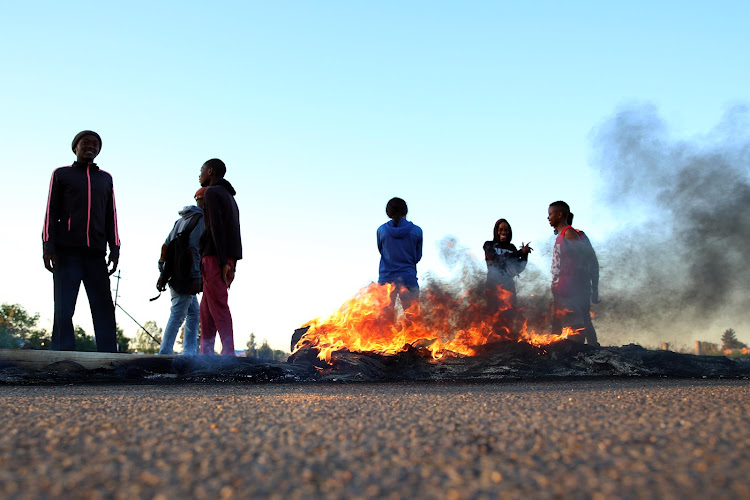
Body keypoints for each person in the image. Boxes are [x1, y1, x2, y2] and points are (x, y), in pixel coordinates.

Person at [42, 131, 120, 352]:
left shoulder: (105, 179)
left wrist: (115, 248)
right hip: (66, 252)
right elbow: (51, 211)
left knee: (104, 306)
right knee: (64, 307)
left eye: (96, 144)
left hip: (96, 253)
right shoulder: (62, 174)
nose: (91, 146)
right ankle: (62, 354)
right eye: (85, 142)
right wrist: (48, 246)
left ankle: (108, 356)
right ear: (75, 147)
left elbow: (110, 215)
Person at [198, 159, 242, 356]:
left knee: (218, 304)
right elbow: (235, 231)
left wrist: (223, 261)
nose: (199, 176)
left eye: (201, 171)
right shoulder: (229, 197)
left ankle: (228, 352)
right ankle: (205, 352)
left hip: (216, 256)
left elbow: (216, 227)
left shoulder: (213, 193)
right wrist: (233, 261)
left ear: (210, 171)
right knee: (206, 310)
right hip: (224, 256)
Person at [155, 187, 206, 355]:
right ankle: (164, 353)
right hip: (185, 277)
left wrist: (163, 272)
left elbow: (165, 246)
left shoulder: (181, 221)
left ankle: (189, 352)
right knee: (177, 316)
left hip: (175, 275)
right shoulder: (199, 220)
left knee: (193, 314)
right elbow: (194, 250)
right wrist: (196, 277)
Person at [547, 200, 588, 343]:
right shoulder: (559, 236)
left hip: (569, 288)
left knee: (574, 324)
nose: (548, 217)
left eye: (550, 214)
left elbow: (582, 258)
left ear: (559, 215)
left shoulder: (569, 233)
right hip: (559, 289)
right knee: (557, 326)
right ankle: (557, 356)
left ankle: (576, 353)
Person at [377, 197, 423, 319]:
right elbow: (417, 257)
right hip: (408, 277)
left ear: (388, 212)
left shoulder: (381, 230)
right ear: (405, 211)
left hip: (386, 279)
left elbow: (381, 251)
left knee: (384, 322)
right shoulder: (417, 231)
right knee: (413, 320)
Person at [567, 212, 600, 346]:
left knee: (583, 318)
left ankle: (592, 349)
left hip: (580, 285)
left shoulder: (579, 236)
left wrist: (595, 288)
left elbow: (592, 261)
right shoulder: (561, 239)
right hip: (565, 288)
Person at [483, 218, 532, 309]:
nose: (503, 232)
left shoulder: (512, 247)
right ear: (496, 231)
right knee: (492, 317)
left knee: (509, 317)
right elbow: (496, 260)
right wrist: (520, 253)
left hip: (509, 288)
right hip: (493, 287)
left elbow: (518, 268)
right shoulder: (488, 245)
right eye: (500, 230)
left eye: (506, 230)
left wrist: (525, 254)